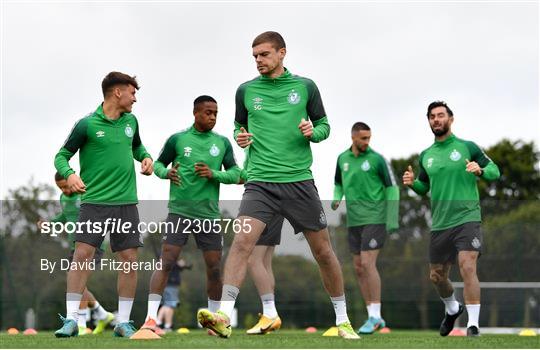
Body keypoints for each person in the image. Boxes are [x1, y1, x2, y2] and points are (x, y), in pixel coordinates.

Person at [197, 31, 359, 340]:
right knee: (242, 244)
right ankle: (223, 316)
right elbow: (238, 127)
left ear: (282, 53)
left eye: (264, 54)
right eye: (255, 56)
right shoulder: (244, 91)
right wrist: (240, 137)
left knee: (323, 252)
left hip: (299, 182)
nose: (258, 60)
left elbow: (324, 125)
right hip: (259, 183)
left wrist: (313, 131)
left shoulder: (305, 87)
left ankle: (343, 319)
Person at [53, 72, 153, 337]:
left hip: (126, 203)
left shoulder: (132, 121)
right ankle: (72, 320)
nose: (135, 99)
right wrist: (70, 174)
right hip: (94, 202)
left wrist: (146, 158)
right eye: (132, 93)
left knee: (129, 261)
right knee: (81, 257)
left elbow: (138, 147)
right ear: (117, 92)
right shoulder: (86, 124)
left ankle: (123, 323)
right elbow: (61, 156)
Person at [140, 95, 241, 333]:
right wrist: (166, 173)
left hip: (209, 216)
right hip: (179, 212)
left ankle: (215, 322)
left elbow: (238, 173)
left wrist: (214, 174)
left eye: (216, 113)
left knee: (214, 268)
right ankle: (150, 319)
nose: (213, 117)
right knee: (166, 262)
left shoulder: (223, 143)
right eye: (208, 112)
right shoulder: (178, 139)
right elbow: (157, 165)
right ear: (195, 113)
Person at [402, 101, 500, 337]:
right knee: (437, 277)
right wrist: (412, 183)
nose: (436, 119)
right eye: (432, 117)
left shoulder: (468, 147)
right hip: (440, 223)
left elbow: (495, 171)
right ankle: (453, 308)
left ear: (451, 119)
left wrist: (481, 170)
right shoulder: (426, 155)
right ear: (429, 121)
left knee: (468, 267)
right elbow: (424, 187)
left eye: (441, 115)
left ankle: (473, 325)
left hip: (467, 218)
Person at [332, 122, 399, 334]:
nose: (367, 142)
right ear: (353, 138)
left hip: (375, 218)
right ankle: (374, 315)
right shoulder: (342, 159)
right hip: (354, 221)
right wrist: (336, 198)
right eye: (363, 138)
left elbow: (392, 188)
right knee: (359, 268)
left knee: (369, 263)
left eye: (369, 138)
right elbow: (338, 183)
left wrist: (392, 219)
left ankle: (375, 315)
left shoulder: (378, 159)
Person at [38, 172, 114, 335]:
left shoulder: (86, 192)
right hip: (76, 246)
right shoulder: (64, 198)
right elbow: (65, 216)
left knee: (77, 279)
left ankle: (80, 324)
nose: (64, 190)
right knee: (75, 280)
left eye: (66, 186)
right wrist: (49, 224)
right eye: (60, 188)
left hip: (94, 244)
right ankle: (102, 314)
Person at [239, 156, 285, 335]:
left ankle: (270, 314)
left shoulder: (261, 143)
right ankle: (270, 315)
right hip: (276, 203)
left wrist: (219, 174)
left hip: (264, 204)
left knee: (253, 260)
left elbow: (247, 175)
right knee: (265, 262)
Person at [156, 258, 192, 333]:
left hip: (167, 283)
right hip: (171, 283)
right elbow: (179, 264)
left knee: (166, 304)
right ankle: (166, 325)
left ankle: (159, 323)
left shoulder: (165, 254)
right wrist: (180, 263)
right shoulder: (171, 255)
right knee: (170, 305)